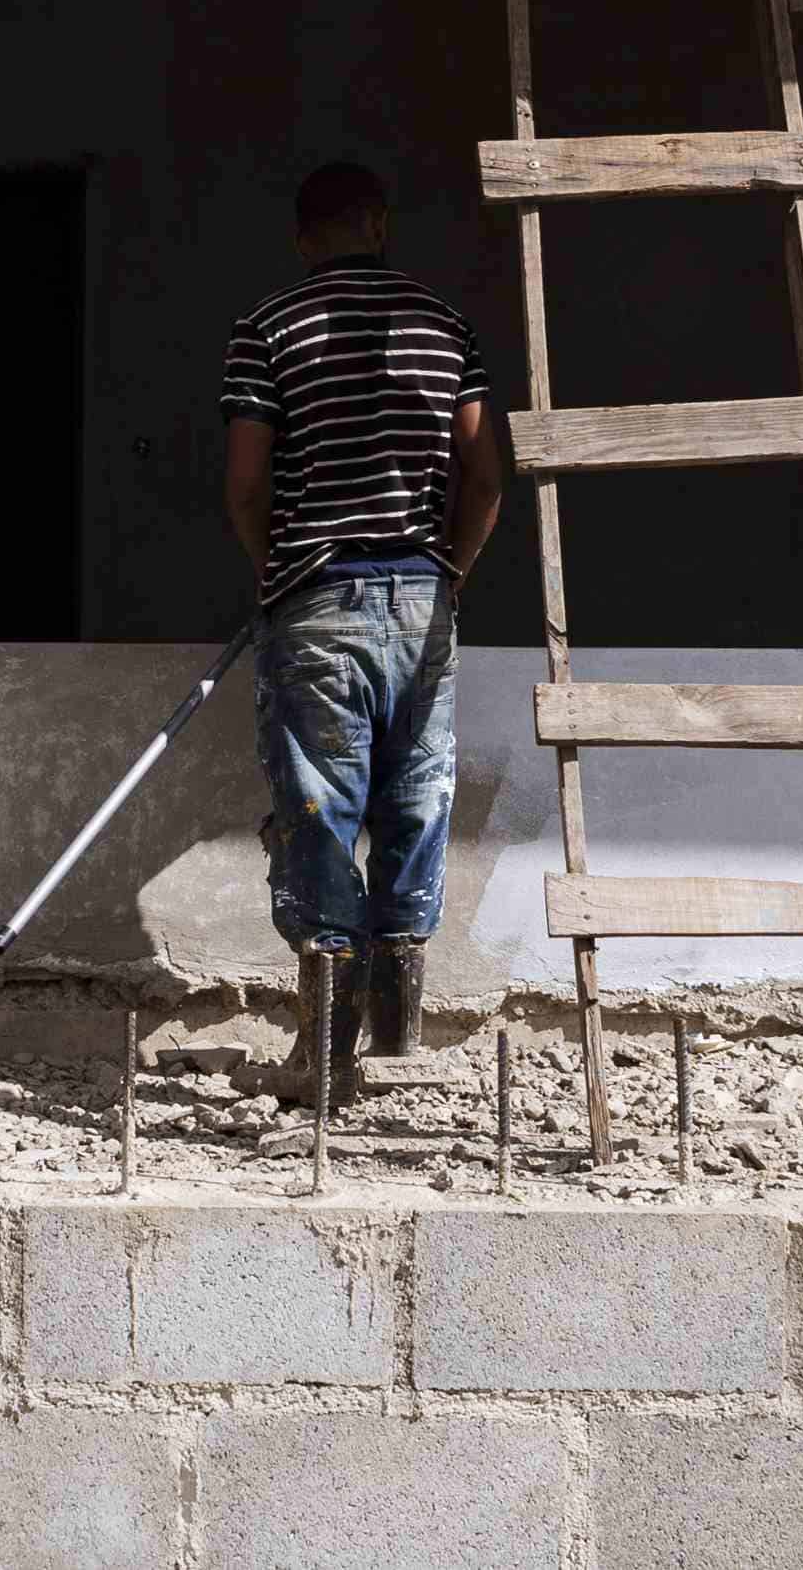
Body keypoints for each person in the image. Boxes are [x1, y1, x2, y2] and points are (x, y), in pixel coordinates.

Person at [218, 158, 504, 1098]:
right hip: (422, 595)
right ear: (380, 223)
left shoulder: (265, 328)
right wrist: (449, 569)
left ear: (304, 239)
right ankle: (398, 1030)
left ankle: (326, 1058)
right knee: (415, 797)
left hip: (316, 599)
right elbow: (486, 473)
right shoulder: (446, 326)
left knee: (319, 809)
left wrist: (277, 573)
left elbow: (247, 483)